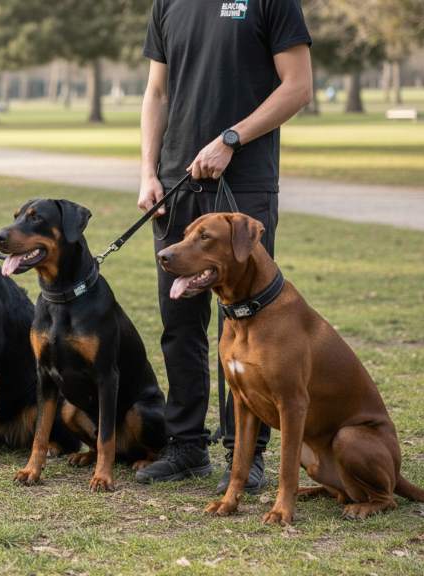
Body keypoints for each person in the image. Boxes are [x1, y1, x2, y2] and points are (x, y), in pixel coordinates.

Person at [134, 0, 313, 492]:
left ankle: (245, 454)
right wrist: (149, 171)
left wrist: (232, 138)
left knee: (246, 321)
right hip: (176, 184)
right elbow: (157, 91)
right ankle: (187, 446)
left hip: (245, 181)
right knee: (178, 321)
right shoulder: (167, 3)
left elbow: (297, 86)